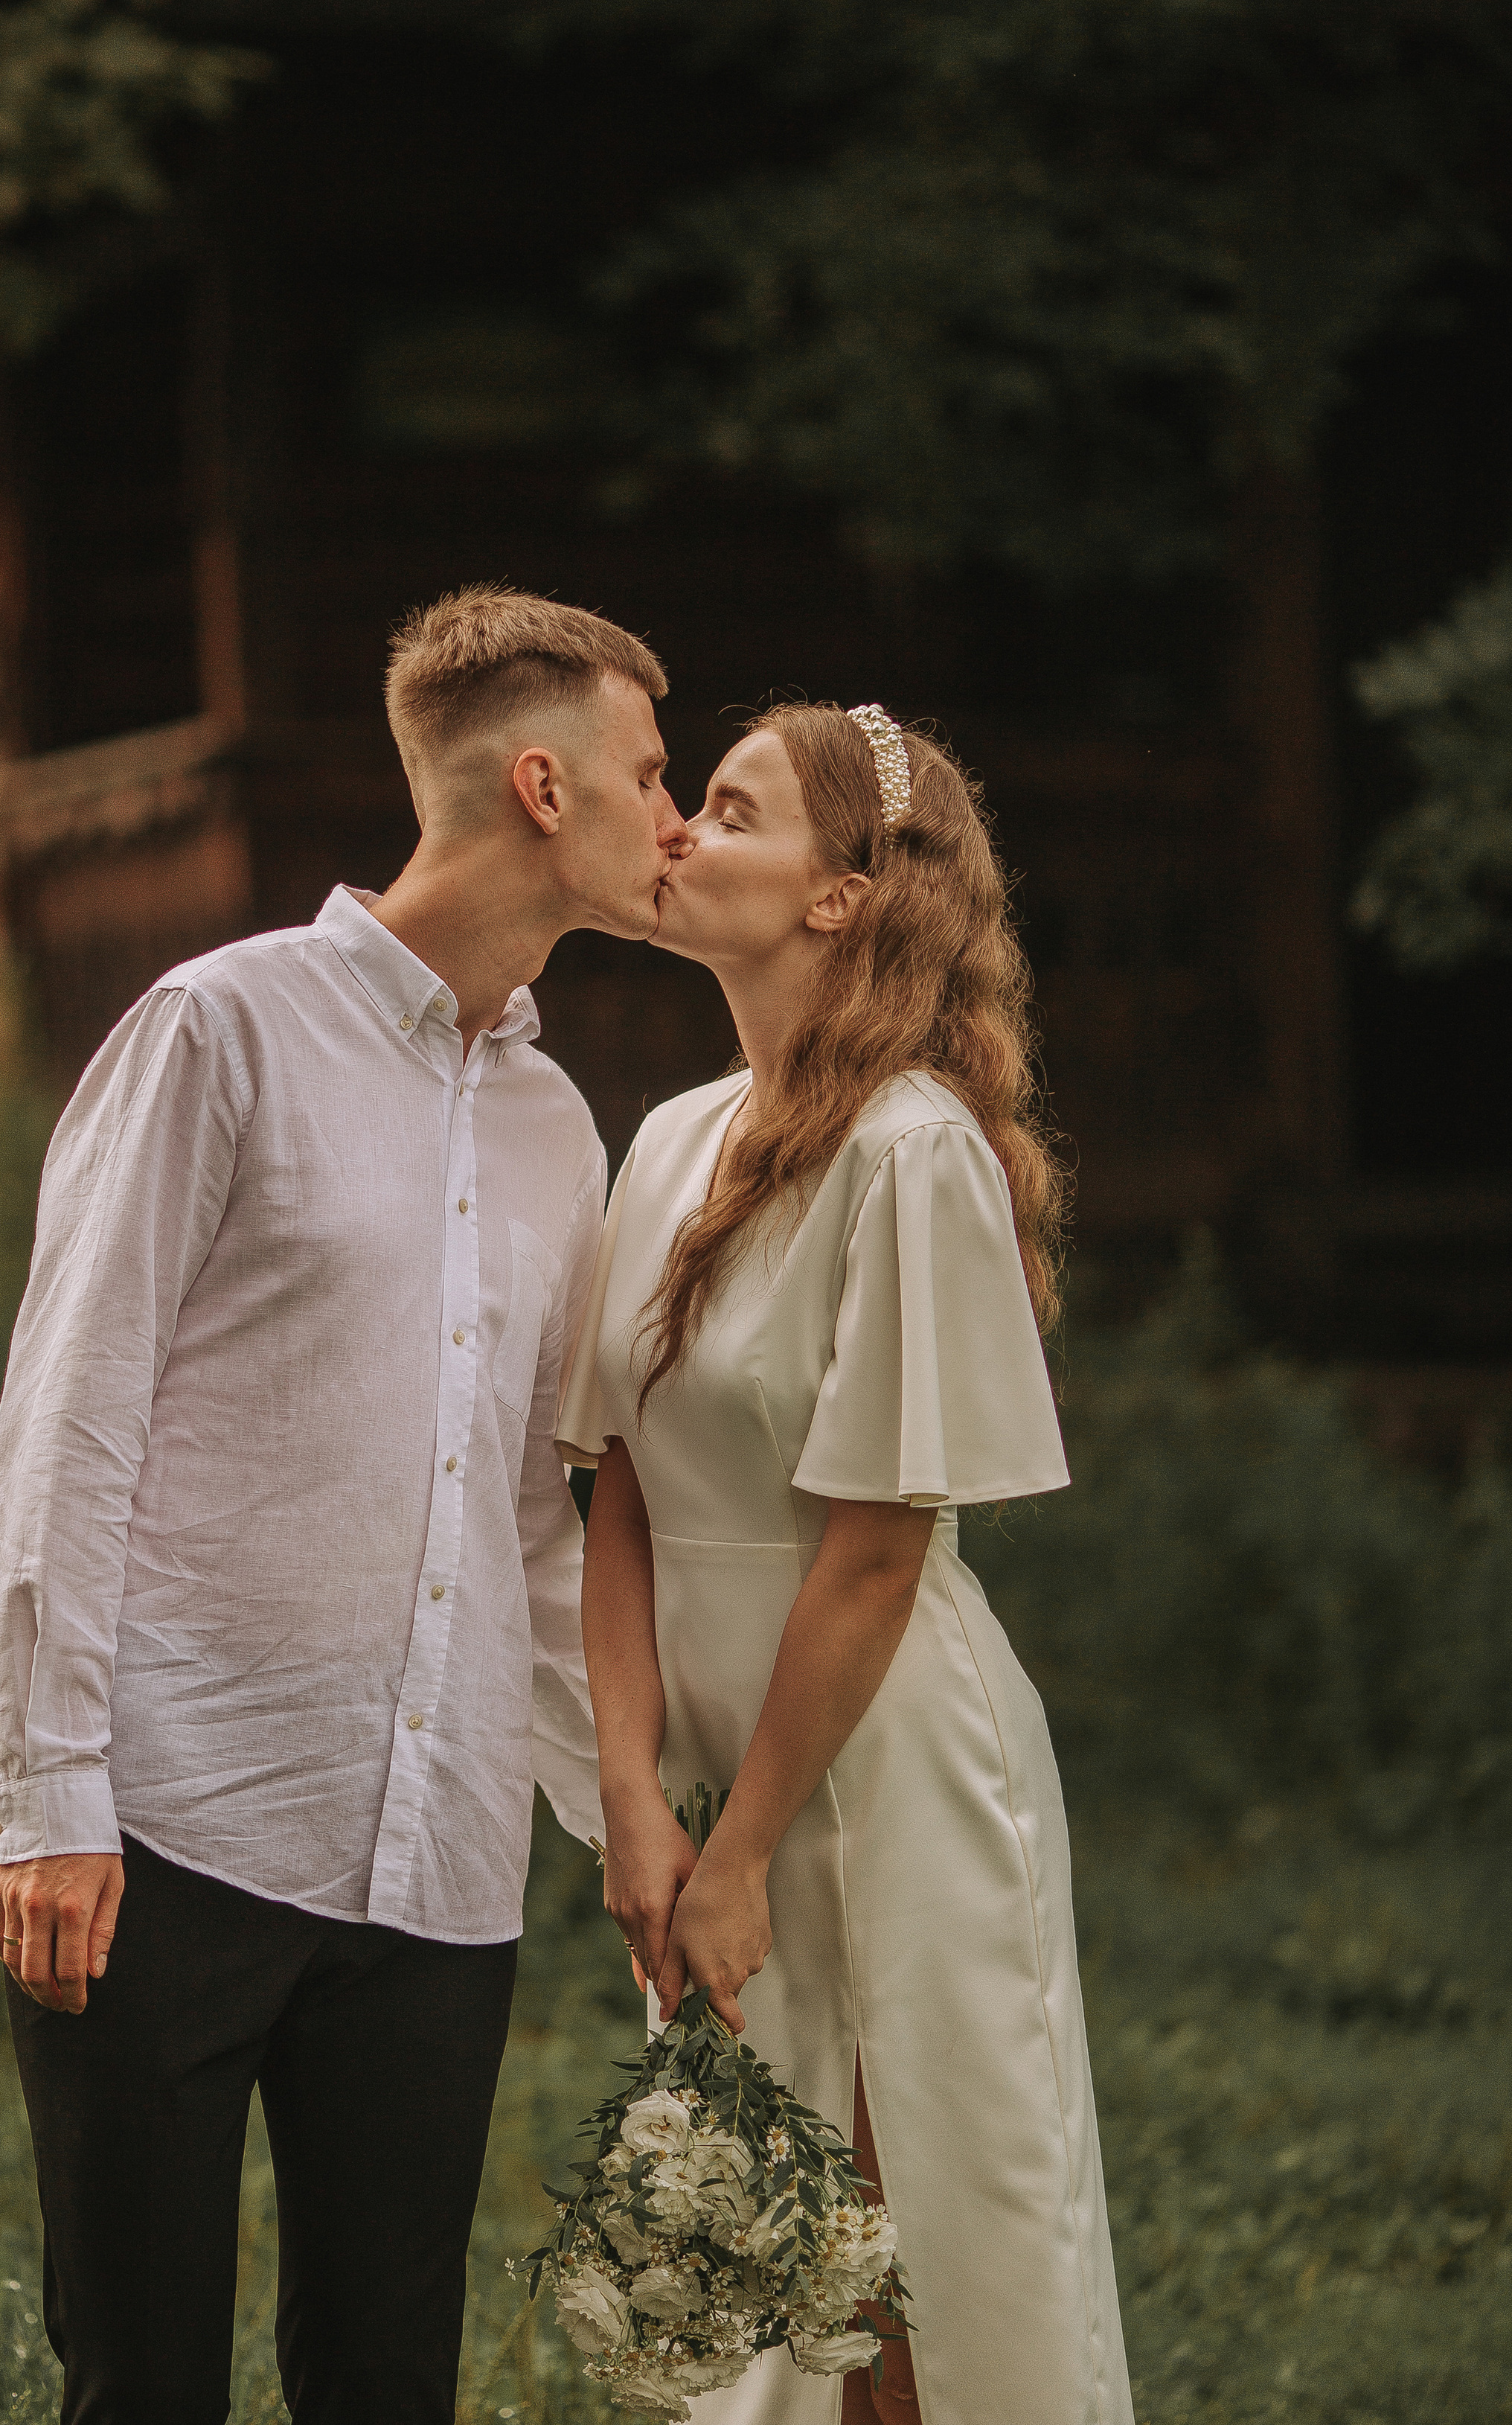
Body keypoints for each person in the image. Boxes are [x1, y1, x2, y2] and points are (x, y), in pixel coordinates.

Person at [0, 584, 688, 2425]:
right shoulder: (215, 1030)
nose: (673, 817)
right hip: (172, 1822)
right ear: (541, 786)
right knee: (140, 2384)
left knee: (387, 2384)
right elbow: (71, 1415)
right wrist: (47, 1795)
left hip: (435, 1863)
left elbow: (541, 1521)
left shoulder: (560, 1130)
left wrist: (623, 1810)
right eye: (648, 773)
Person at [560, 701, 1133, 2424]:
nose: (674, 832)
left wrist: (738, 1851)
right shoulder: (667, 1139)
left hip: (883, 1772)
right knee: (739, 2300)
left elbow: (877, 1558)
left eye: (726, 811)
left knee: (912, 2282)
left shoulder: (913, 1155)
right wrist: (633, 1799)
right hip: (710, 1786)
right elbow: (622, 1500)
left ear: (837, 894)